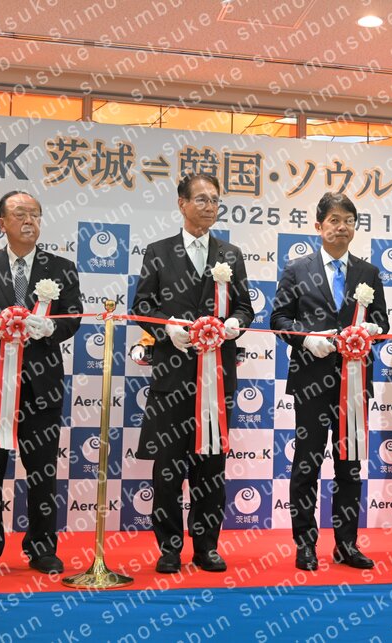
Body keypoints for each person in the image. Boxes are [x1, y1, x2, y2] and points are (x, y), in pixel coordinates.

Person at [0, 191, 82, 577]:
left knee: (42, 474)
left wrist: (51, 327)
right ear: (1, 223)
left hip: (42, 388)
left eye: (35, 214)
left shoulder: (61, 267)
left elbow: (73, 318)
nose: (29, 221)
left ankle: (42, 548)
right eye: (20, 214)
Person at [132, 173, 253, 574]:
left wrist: (234, 324)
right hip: (172, 378)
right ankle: (169, 547)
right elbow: (142, 305)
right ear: (181, 203)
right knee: (167, 470)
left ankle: (206, 547)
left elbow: (245, 307)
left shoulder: (231, 254)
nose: (209, 206)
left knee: (210, 469)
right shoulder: (158, 252)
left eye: (214, 200)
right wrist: (166, 327)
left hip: (217, 378)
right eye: (200, 199)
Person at [271, 192, 388, 571]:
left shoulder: (368, 272)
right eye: (334, 220)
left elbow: (383, 322)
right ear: (319, 226)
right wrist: (306, 339)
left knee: (349, 465)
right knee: (306, 465)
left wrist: (372, 329)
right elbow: (279, 319)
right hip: (311, 381)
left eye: (349, 221)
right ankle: (305, 544)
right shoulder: (297, 269)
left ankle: (346, 544)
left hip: (354, 382)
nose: (342, 227)